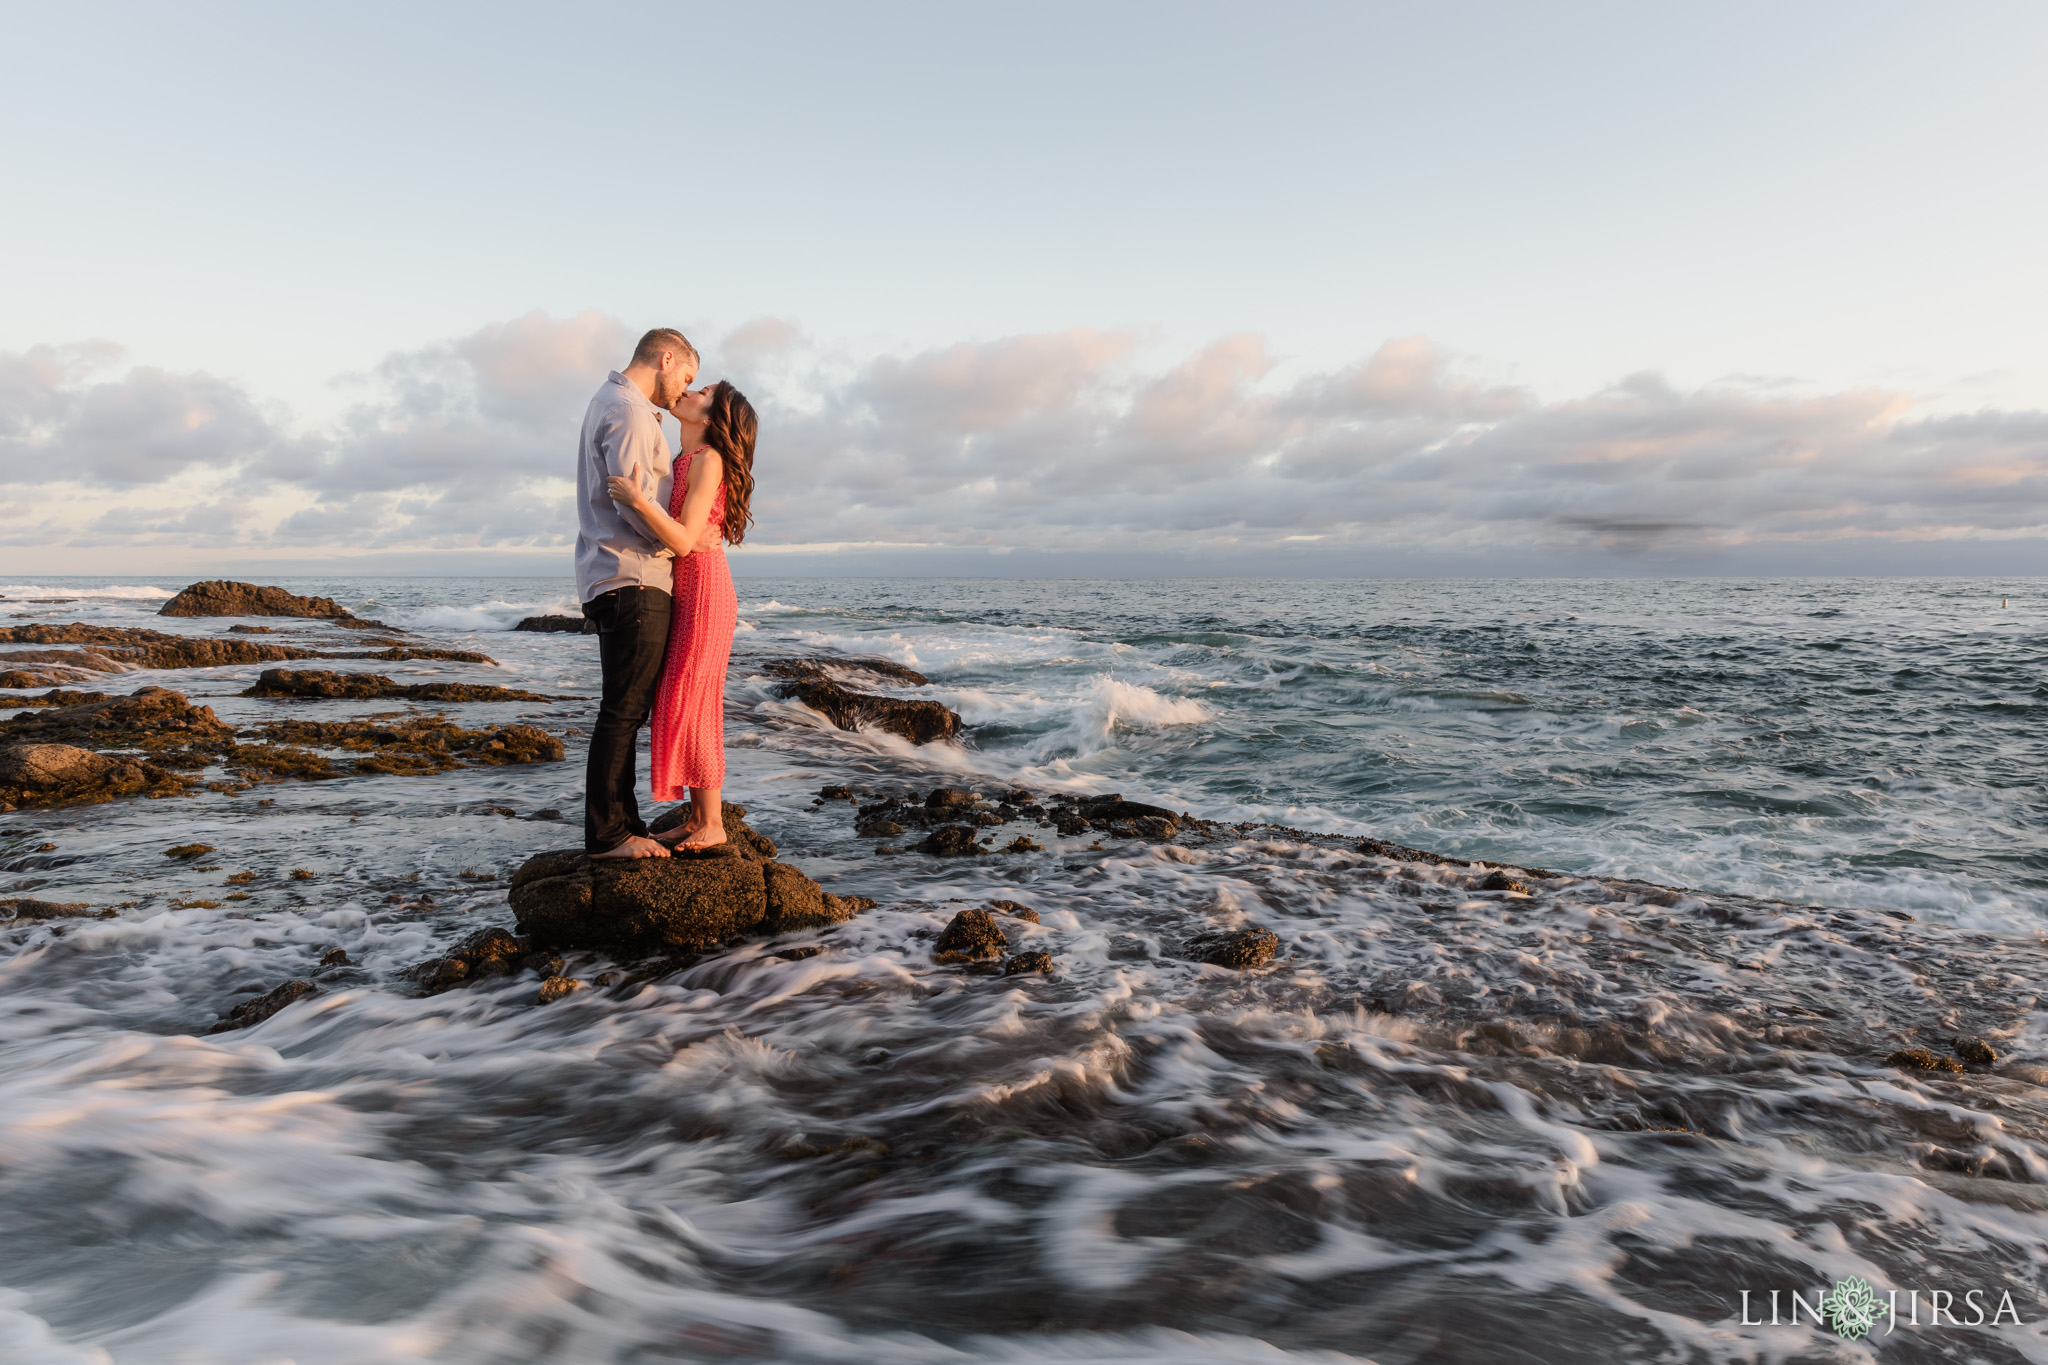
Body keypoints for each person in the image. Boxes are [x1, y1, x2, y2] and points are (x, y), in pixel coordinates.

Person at [606, 380, 757, 850]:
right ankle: (696, 819)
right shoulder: (681, 461)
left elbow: (685, 539)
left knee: (696, 702)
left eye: (703, 391)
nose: (691, 390)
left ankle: (713, 822)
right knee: (682, 698)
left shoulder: (709, 460)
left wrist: (637, 500)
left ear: (711, 418)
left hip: (707, 591)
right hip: (687, 587)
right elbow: (685, 536)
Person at [574, 328, 707, 859]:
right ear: (666, 358)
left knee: (625, 708)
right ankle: (608, 836)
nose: (683, 390)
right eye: (687, 377)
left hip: (616, 572)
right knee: (624, 710)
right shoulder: (628, 411)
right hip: (633, 575)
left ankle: (623, 825)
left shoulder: (617, 403)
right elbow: (632, 502)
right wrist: (679, 542)